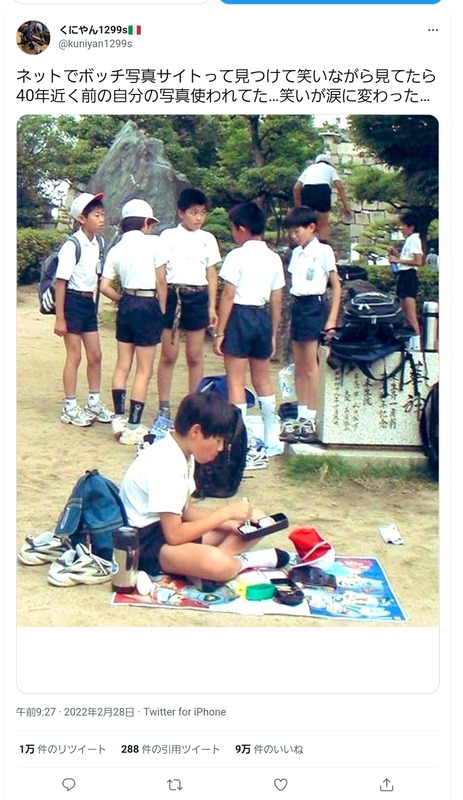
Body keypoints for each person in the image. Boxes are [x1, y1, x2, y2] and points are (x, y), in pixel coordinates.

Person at [119, 392, 289, 589]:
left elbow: (185, 510)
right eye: (218, 440)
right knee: (219, 563)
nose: (221, 448)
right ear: (196, 431)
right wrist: (223, 515)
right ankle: (241, 562)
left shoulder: (182, 453)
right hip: (148, 545)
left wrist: (229, 524)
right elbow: (174, 535)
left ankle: (200, 571)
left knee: (256, 519)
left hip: (165, 532)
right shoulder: (167, 464)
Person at [213, 202, 285, 467]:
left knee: (236, 381)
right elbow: (277, 298)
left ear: (242, 229)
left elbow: (228, 294)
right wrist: (273, 333)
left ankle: (238, 439)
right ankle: (271, 437)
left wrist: (220, 331)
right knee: (263, 379)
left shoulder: (237, 256)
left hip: (240, 317)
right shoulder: (274, 258)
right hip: (262, 317)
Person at [99, 199, 168, 446]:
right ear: (146, 222)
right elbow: (161, 280)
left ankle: (118, 418)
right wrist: (162, 310)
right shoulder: (155, 243)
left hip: (127, 302)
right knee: (144, 369)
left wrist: (122, 300)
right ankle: (134, 426)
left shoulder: (116, 249)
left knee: (123, 364)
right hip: (148, 303)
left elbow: (104, 286)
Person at [155, 188, 221, 420]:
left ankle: (194, 406)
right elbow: (161, 274)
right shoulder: (168, 236)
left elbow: (211, 274)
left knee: (195, 356)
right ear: (181, 212)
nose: (199, 218)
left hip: (198, 297)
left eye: (202, 213)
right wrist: (162, 305)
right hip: (174, 295)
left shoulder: (207, 239)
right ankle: (164, 406)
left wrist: (211, 307)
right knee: (168, 355)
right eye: (194, 213)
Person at [280, 206, 342, 444]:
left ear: (311, 228)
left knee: (310, 364)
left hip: (314, 305)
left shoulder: (324, 251)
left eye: (297, 231)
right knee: (299, 364)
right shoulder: (296, 253)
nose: (294, 236)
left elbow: (336, 286)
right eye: (291, 232)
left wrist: (332, 319)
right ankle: (301, 412)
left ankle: (312, 416)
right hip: (298, 306)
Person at [54, 192, 113, 427]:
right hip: (72, 301)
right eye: (96, 215)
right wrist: (60, 318)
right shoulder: (72, 245)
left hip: (88, 303)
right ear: (81, 218)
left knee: (96, 355)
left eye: (102, 215)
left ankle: (93, 403)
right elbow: (61, 282)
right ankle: (69, 407)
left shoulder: (98, 243)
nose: (101, 219)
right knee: (75, 355)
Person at [293, 153, 352, 242]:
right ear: (329, 163)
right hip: (323, 190)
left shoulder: (309, 168)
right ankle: (323, 245)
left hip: (308, 190)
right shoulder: (330, 169)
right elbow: (340, 187)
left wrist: (298, 207)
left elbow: (296, 188)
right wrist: (346, 206)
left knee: (306, 223)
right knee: (323, 224)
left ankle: (304, 243)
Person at [388, 213, 423, 351]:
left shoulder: (414, 239)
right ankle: (410, 343)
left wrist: (397, 260)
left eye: (403, 225)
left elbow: (418, 261)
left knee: (410, 314)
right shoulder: (409, 240)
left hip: (409, 276)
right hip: (403, 275)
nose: (401, 228)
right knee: (405, 313)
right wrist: (396, 255)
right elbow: (406, 260)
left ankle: (417, 344)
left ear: (411, 227)